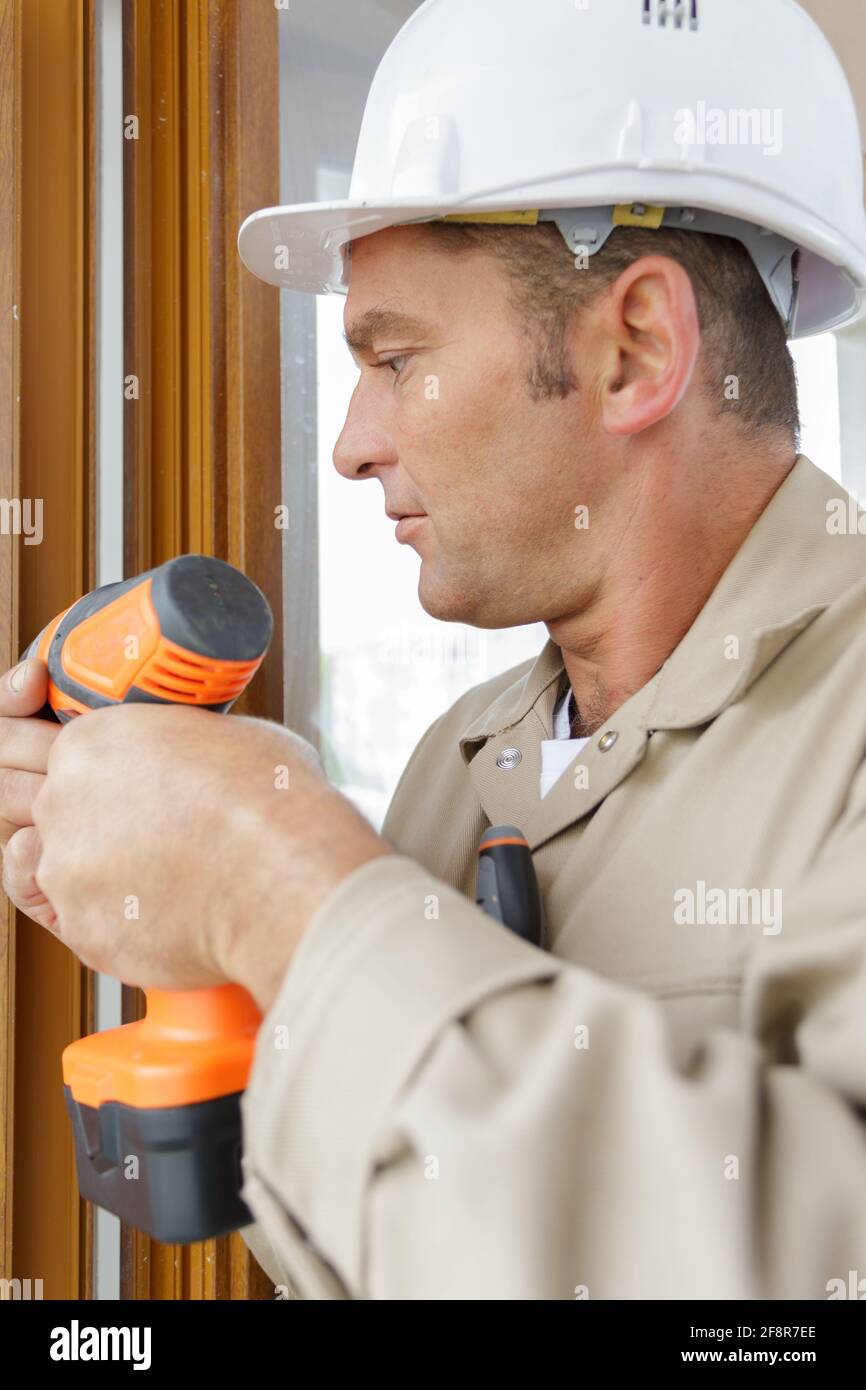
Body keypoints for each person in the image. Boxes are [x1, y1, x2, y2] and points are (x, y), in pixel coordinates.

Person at [4, 0, 866, 1298]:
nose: (349, 442)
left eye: (396, 357)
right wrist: (217, 932)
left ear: (632, 351)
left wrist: (274, 881)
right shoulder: (452, 776)